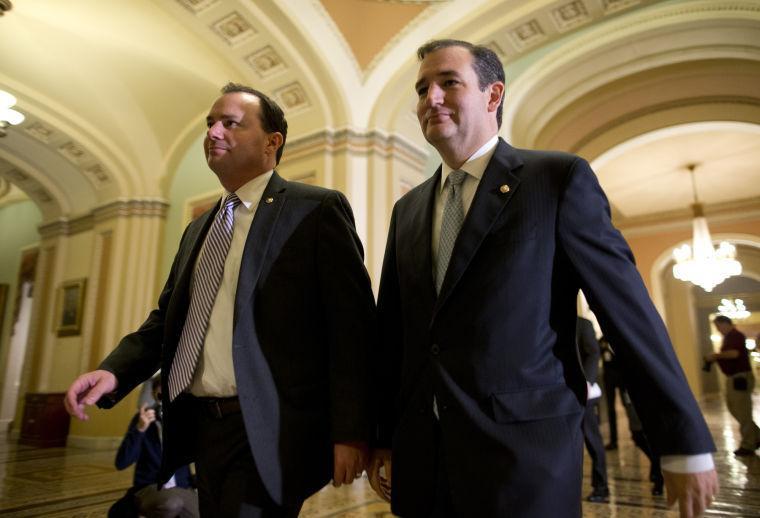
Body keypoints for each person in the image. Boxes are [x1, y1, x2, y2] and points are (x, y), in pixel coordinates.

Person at [368, 39, 718, 517]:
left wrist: (683, 442)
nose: (430, 98)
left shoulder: (555, 179)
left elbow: (627, 315)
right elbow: (394, 333)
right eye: (422, 87)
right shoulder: (407, 209)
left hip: (523, 458)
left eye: (449, 83)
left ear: (493, 96)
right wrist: (383, 436)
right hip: (424, 460)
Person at [65, 83, 376, 517]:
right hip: (200, 426)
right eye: (210, 122)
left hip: (270, 429)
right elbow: (167, 322)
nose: (212, 132)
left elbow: (353, 328)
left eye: (230, 123)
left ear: (272, 142)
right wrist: (113, 372)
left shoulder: (314, 209)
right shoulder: (199, 228)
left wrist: (353, 432)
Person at [111, 376, 198, 518]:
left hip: (182, 488)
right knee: (171, 503)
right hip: (150, 488)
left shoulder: (184, 421)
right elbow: (121, 463)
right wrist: (140, 430)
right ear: (154, 395)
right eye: (161, 396)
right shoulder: (142, 421)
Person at [705, 315, 760, 456]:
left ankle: (748, 444)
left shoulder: (735, 335)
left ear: (725, 323)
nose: (718, 330)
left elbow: (734, 354)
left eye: (718, 326)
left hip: (739, 377)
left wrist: (716, 356)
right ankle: (756, 437)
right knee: (735, 408)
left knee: (742, 411)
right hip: (734, 377)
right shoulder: (729, 337)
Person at [577, 316, 609, 503]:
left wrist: (586, 383)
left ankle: (601, 486)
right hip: (559, 395)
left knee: (592, 440)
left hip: (584, 393)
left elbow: (593, 353)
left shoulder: (582, 324)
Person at [599, 335, 622, 450]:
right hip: (609, 379)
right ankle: (614, 441)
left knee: (629, 408)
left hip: (623, 378)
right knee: (610, 410)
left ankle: (637, 434)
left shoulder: (619, 336)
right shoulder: (602, 341)